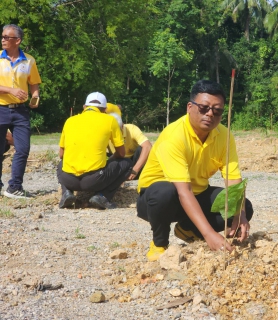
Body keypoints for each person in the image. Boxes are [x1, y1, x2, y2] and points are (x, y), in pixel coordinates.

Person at [136, 80, 254, 261]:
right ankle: (159, 244)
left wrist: (240, 215)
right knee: (165, 193)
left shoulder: (224, 135)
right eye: (204, 108)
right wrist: (209, 235)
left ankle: (188, 229)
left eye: (217, 110)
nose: (210, 114)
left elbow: (233, 180)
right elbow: (184, 191)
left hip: (196, 195)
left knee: (243, 205)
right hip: (158, 199)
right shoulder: (174, 136)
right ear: (189, 107)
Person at [57, 92, 132, 209]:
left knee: (61, 164)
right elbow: (122, 153)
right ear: (105, 109)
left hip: (69, 179)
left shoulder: (69, 121)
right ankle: (103, 196)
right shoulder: (110, 120)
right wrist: (110, 161)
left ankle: (66, 192)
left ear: (84, 107)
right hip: (94, 180)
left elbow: (61, 155)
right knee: (126, 163)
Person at [0, 24, 42, 198]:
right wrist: (11, 90)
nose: (2, 39)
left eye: (6, 37)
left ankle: (14, 187)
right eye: (2, 36)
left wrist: (36, 97)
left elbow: (34, 84)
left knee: (23, 149)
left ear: (17, 40)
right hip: (0, 108)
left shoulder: (29, 61)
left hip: (21, 111)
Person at [108, 112, 152, 180]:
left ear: (122, 126)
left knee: (141, 149)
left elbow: (148, 146)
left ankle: (136, 175)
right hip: (117, 158)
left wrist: (135, 170)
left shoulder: (132, 129)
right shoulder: (105, 132)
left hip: (133, 159)